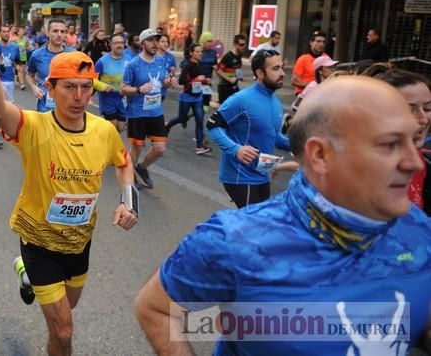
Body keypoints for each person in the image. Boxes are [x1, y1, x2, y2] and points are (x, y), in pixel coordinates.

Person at [135, 75, 431, 355]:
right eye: (390, 144)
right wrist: (236, 150)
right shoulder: (235, 241)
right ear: (321, 155)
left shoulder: (420, 231)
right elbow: (156, 307)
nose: (414, 163)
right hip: (245, 177)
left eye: (414, 140)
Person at [0, 0, 138, 356]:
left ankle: (26, 277)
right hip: (38, 241)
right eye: (68, 87)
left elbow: (123, 162)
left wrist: (128, 200)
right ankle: (31, 270)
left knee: (65, 315)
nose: (78, 96)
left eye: (85, 87)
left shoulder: (104, 131)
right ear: (51, 86)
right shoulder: (35, 126)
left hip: (79, 243)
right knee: (63, 331)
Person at [206, 49, 291, 207]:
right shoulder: (241, 99)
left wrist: (298, 145)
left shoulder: (276, 102)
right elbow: (212, 125)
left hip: (262, 174)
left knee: (258, 226)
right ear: (259, 73)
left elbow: (273, 135)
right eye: (275, 68)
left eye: (282, 67)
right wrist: (235, 149)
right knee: (254, 227)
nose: (282, 73)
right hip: (240, 177)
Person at [363, 63, 431, 215]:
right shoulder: (356, 169)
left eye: (427, 108)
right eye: (410, 109)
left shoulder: (422, 160)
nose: (423, 119)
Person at [121, 28, 171, 189]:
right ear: (142, 43)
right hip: (137, 112)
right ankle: (129, 177)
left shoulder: (161, 61)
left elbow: (161, 82)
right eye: (151, 40)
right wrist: (138, 90)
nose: (155, 44)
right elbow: (123, 88)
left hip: (156, 111)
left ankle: (141, 168)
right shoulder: (133, 64)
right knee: (137, 146)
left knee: (160, 148)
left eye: (157, 40)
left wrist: (168, 83)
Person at [166, 43, 211, 155]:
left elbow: (198, 79)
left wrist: (205, 81)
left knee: (200, 121)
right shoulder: (188, 65)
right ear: (191, 53)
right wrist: (196, 79)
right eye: (197, 51)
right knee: (182, 118)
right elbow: (181, 81)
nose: (200, 53)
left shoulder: (199, 64)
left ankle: (200, 146)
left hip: (198, 97)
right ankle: (168, 125)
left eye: (201, 51)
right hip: (186, 97)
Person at [26, 18, 75, 112]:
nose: (59, 35)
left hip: (67, 107)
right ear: (47, 33)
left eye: (62, 31)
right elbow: (29, 75)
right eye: (55, 31)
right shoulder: (37, 55)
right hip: (45, 107)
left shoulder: (73, 55)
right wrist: (34, 88)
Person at [0, 24, 20, 148]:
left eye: (8, 31)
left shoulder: (15, 47)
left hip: (10, 80)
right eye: (3, 31)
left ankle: (4, 129)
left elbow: (18, 61)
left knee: (9, 105)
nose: (6, 33)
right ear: (0, 34)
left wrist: (19, 70)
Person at [95, 33, 129, 132]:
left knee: (120, 128)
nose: (120, 45)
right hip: (108, 98)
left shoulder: (129, 59)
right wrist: (102, 86)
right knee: (112, 128)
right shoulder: (102, 61)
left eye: (122, 42)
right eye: (116, 43)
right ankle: (111, 146)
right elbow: (92, 79)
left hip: (123, 98)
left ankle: (103, 133)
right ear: (111, 45)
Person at [216, 34, 247, 104]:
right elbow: (218, 70)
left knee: (238, 105)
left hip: (234, 87)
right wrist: (229, 79)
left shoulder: (239, 55)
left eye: (244, 44)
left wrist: (239, 76)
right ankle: (212, 104)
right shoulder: (228, 56)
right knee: (225, 110)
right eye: (241, 45)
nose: (243, 47)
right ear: (235, 44)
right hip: (224, 88)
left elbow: (236, 69)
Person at [157, 34, 177, 102]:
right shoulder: (152, 56)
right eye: (162, 41)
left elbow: (172, 74)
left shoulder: (171, 57)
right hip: (151, 89)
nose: (165, 44)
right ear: (157, 43)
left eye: (167, 41)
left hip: (163, 91)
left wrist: (172, 77)